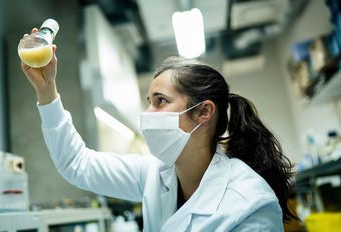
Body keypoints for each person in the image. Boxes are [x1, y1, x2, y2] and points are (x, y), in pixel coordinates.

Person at [22, 28, 296, 231]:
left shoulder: (250, 204)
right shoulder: (156, 174)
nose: (147, 114)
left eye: (160, 101)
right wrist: (46, 91)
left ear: (203, 112)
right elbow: (77, 164)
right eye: (148, 102)